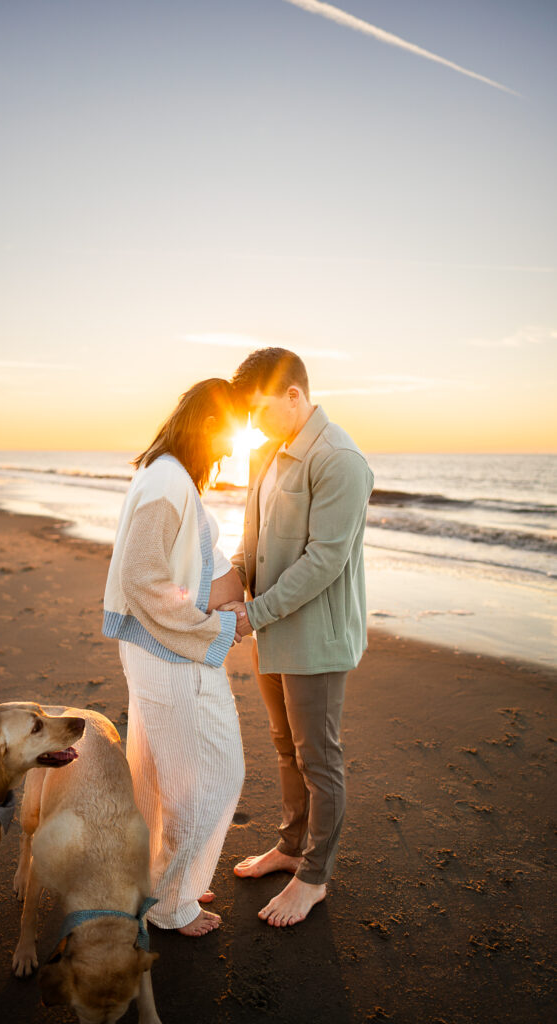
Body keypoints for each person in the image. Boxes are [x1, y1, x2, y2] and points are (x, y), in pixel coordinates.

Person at [224, 348, 374, 928]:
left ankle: (315, 878)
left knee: (319, 757)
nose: (254, 424)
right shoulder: (265, 453)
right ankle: (290, 847)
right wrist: (228, 592)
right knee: (284, 746)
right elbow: (253, 543)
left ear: (294, 396)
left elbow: (323, 562)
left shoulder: (340, 459)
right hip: (270, 626)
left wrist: (252, 614)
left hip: (314, 638)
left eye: (261, 409)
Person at [103, 378, 246, 937]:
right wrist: (211, 629)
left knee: (162, 775)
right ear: (209, 423)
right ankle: (171, 904)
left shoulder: (164, 473)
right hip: (170, 656)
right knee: (210, 774)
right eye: (230, 434)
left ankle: (166, 882)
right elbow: (143, 577)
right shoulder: (167, 481)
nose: (233, 449)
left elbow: (184, 569)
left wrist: (237, 588)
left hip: (156, 653)